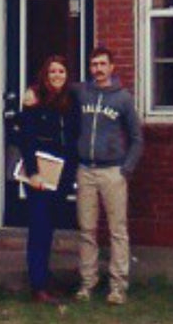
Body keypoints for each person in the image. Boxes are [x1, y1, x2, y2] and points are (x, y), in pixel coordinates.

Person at [72, 46, 143, 305]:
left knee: (117, 230)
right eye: (94, 65)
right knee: (87, 229)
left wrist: (127, 168)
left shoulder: (123, 98)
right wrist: (32, 92)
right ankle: (87, 282)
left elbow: (136, 138)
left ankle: (117, 286)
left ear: (112, 67)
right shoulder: (81, 93)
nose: (98, 69)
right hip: (86, 170)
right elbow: (54, 89)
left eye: (103, 64)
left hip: (113, 171)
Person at [16, 55, 79, 304]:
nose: (56, 76)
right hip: (39, 176)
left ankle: (44, 279)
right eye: (52, 71)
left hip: (61, 176)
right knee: (39, 230)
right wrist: (33, 173)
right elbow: (26, 140)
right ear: (45, 74)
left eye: (61, 71)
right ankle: (38, 287)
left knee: (49, 229)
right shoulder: (35, 100)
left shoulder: (71, 101)